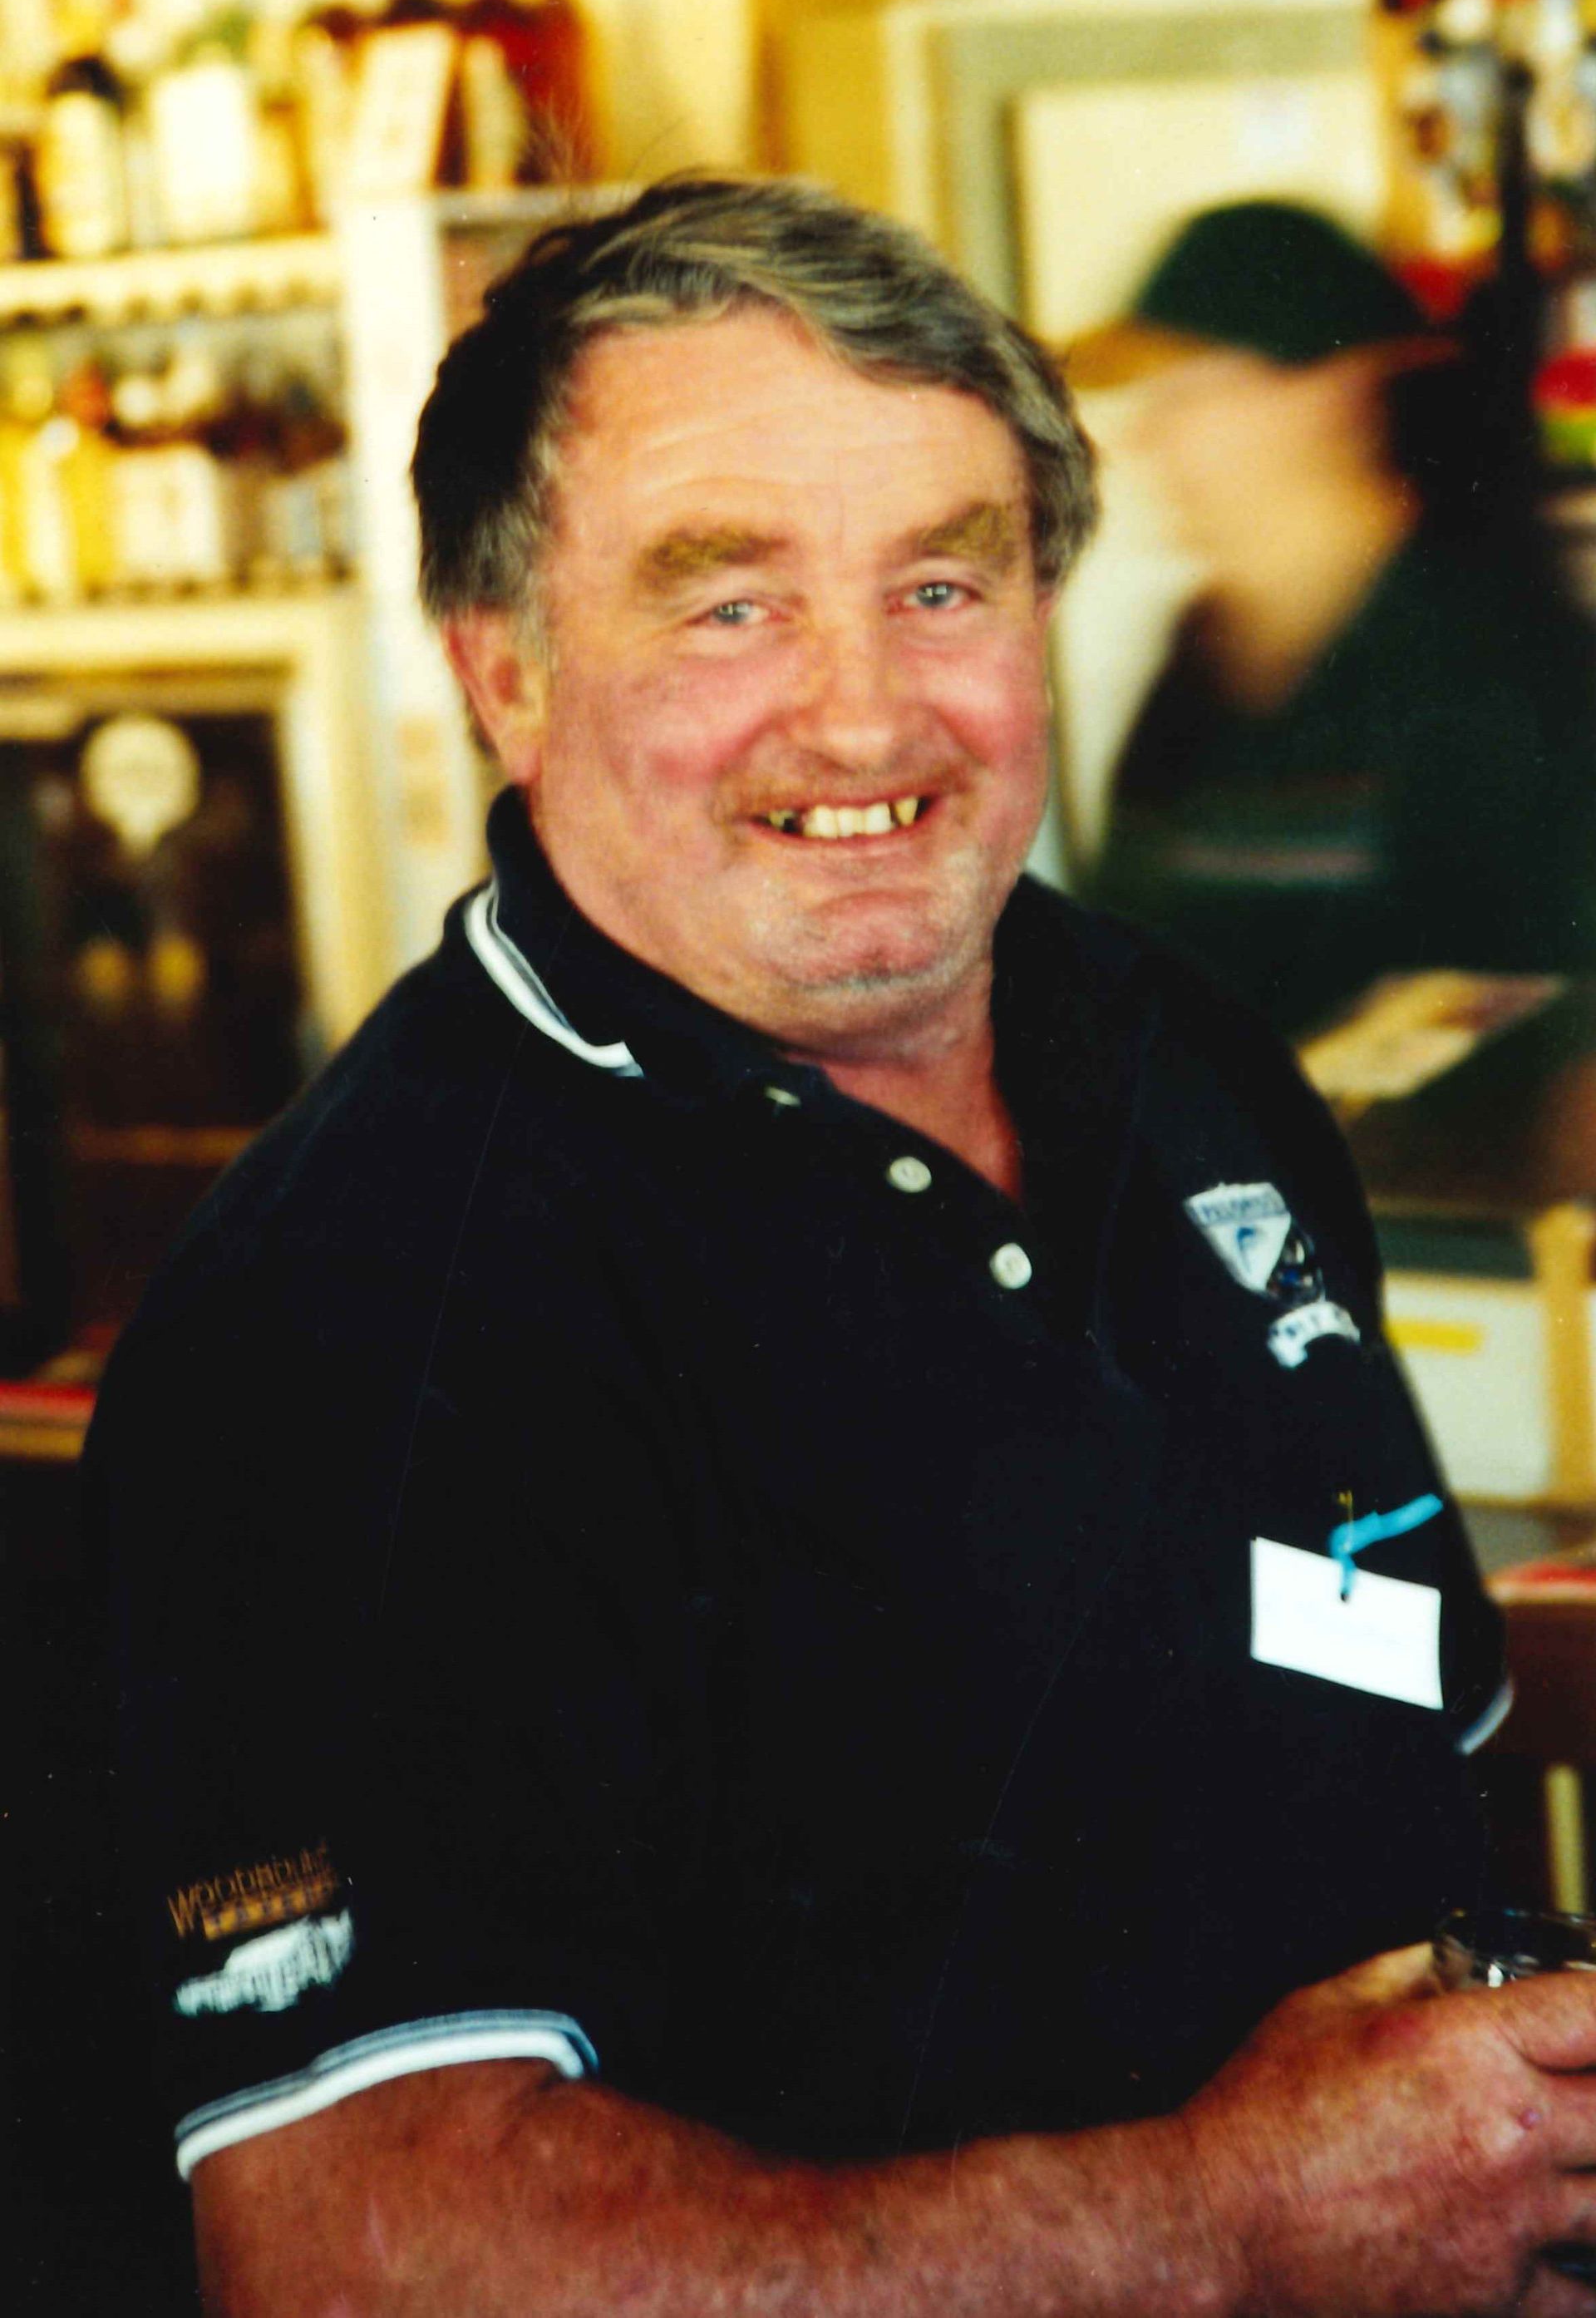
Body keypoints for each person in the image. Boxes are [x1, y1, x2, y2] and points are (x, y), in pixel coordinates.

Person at [89, 176, 1596, 2317]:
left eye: (940, 586)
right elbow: (360, 2249)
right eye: (730, 606)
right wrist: (1229, 2218)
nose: (869, 718)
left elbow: (1402, 1734)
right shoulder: (351, 1315)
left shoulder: (1182, 1061)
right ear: (504, 672)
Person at [1080, 200, 1596, 1035]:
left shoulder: (1500, 667)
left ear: (1334, 392)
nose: (1146, 438)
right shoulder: (1192, 672)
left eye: (1192, 393)